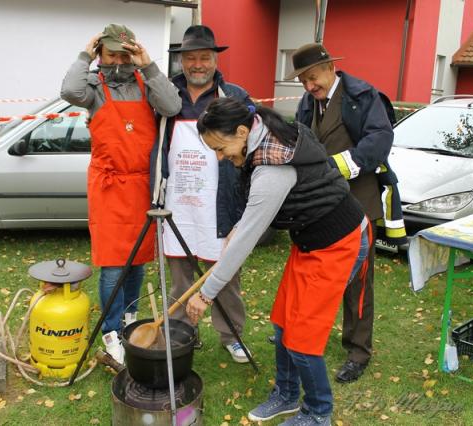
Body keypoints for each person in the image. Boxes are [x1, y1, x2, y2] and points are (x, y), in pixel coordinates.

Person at [185, 97, 370, 425]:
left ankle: (317, 412)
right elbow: (252, 219)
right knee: (284, 323)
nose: (219, 157)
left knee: (303, 338)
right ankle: (286, 394)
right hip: (311, 240)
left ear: (242, 131)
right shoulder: (262, 134)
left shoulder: (274, 167)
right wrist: (239, 229)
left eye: (219, 147)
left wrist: (205, 295)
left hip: (340, 242)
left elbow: (247, 241)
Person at [60, 24, 181, 364]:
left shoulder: (145, 83)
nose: (119, 61)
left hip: (142, 185)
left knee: (139, 258)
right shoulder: (93, 88)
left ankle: (131, 318)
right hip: (110, 186)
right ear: (100, 54)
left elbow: (172, 105)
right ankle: (111, 331)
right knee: (114, 264)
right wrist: (84, 55)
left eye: (124, 54)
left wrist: (149, 65)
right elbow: (68, 90)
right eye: (112, 53)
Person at [288, 42, 400, 383]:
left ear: (329, 68)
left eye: (312, 77)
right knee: (316, 274)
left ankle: (358, 350)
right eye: (303, 81)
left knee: (358, 282)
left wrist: (341, 165)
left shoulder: (365, 96)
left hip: (358, 201)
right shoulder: (308, 103)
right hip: (321, 205)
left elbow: (381, 138)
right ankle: (308, 335)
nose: (309, 86)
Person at [151, 25, 251, 363]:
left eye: (204, 57)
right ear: (181, 60)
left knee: (225, 275)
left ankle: (231, 334)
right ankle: (182, 333)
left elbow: (249, 144)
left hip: (220, 200)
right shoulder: (166, 96)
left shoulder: (234, 95)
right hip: (178, 202)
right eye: (190, 58)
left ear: (214, 59)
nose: (197, 64)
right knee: (180, 277)